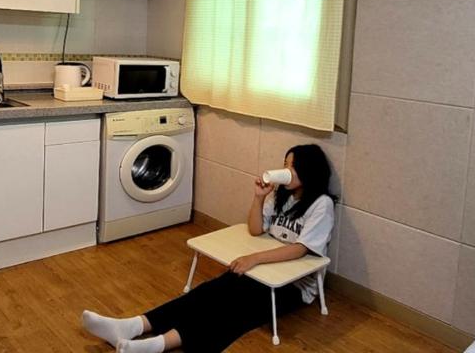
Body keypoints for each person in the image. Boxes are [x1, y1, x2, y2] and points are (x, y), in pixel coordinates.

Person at [82, 144, 337, 353]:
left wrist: (255, 258)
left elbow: (300, 250)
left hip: (292, 286)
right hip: (263, 269)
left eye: (292, 167)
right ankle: (133, 325)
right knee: (210, 292)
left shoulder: (321, 204)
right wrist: (259, 197)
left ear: (309, 171)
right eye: (284, 165)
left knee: (230, 311)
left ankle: (158, 345)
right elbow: (255, 229)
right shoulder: (282, 195)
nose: (286, 171)